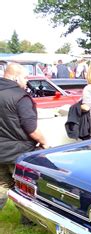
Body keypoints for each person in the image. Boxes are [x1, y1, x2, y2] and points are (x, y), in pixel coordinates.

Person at [0, 63, 49, 211]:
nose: (26, 81)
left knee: (2, 187)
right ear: (15, 77)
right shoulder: (21, 97)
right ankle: (28, 219)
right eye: (25, 77)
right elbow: (31, 128)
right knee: (25, 188)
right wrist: (44, 142)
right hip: (18, 153)